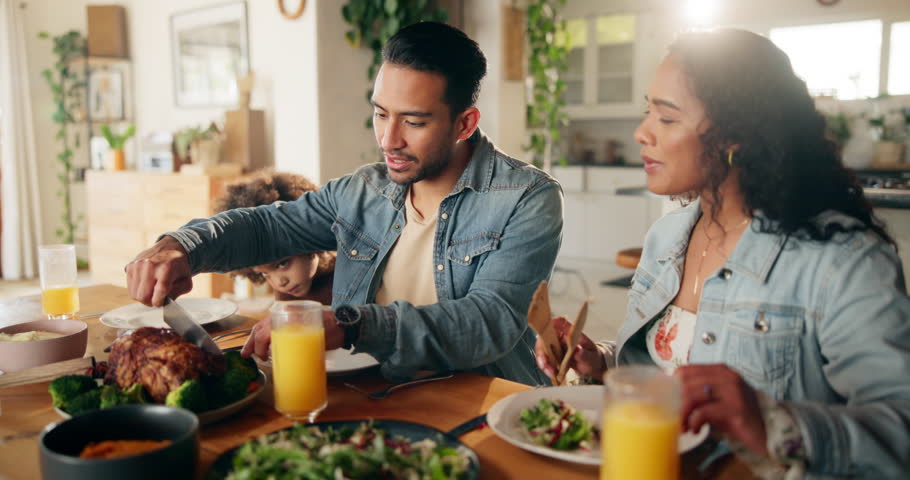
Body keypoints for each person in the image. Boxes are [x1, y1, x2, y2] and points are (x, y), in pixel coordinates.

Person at [536, 29, 910, 477]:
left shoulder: (843, 262)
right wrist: (599, 361)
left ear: (735, 136)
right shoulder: (667, 236)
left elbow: (900, 428)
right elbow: (666, 367)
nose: (641, 133)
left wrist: (772, 422)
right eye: (646, 111)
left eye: (667, 118)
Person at [125, 22, 562, 386]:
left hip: (478, 405)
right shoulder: (362, 190)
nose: (388, 140)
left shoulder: (527, 198)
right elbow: (268, 228)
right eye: (380, 113)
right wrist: (181, 246)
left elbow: (489, 322)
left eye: (413, 121)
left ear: (465, 123)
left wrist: (352, 325)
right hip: (366, 394)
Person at [214, 172, 335, 304]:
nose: (280, 282)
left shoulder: (346, 274)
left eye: (283, 264)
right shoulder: (288, 292)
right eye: (265, 273)